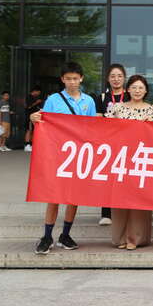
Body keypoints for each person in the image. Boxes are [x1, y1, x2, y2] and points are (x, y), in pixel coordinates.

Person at [31, 61, 97, 254]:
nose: (72, 82)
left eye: (75, 78)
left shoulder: (89, 101)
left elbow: (94, 127)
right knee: (54, 196)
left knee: (73, 197)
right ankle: (47, 236)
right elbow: (43, 122)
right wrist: (33, 119)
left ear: (81, 79)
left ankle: (65, 235)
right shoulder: (53, 100)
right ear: (62, 79)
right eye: (68, 79)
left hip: (79, 154)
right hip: (58, 154)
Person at [104, 75, 153, 250]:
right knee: (120, 198)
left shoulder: (152, 110)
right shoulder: (117, 108)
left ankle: (135, 238)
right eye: (134, 87)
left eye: (141, 88)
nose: (137, 91)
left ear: (146, 90)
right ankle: (119, 238)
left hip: (141, 159)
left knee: (139, 199)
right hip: (120, 158)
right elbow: (105, 129)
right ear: (128, 89)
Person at [95, 63, 130, 226]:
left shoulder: (130, 96)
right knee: (107, 178)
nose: (116, 79)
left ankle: (124, 211)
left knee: (125, 178)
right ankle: (106, 213)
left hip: (127, 143)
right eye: (113, 76)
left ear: (124, 78)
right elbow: (97, 120)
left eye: (119, 76)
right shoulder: (102, 98)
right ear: (108, 79)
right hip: (108, 143)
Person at [23, 85, 43, 152]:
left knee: (34, 130)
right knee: (29, 130)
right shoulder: (28, 97)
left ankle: (31, 144)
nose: (38, 94)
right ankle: (27, 145)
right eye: (38, 92)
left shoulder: (36, 98)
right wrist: (36, 102)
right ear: (35, 91)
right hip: (29, 116)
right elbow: (28, 106)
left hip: (35, 117)